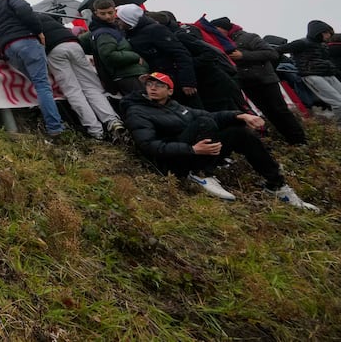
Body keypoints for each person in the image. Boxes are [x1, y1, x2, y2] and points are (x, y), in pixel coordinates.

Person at [121, 72, 318, 210]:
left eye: (159, 85)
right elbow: (148, 145)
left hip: (196, 152)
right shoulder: (137, 110)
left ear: (170, 91)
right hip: (174, 162)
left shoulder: (176, 106)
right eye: (149, 84)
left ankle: (276, 185)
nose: (153, 88)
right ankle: (201, 173)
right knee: (204, 122)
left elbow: (212, 115)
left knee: (240, 132)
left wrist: (240, 115)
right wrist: (192, 149)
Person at [0, 0, 65, 139]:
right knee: (42, 84)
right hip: (26, 41)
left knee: (36, 83)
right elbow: (25, 10)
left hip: (8, 48)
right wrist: (39, 31)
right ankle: (55, 127)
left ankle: (39, 114)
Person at [210, 17, 307, 145]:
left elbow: (271, 53)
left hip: (265, 80)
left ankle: (300, 141)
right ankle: (289, 140)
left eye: (216, 29)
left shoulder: (248, 37)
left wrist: (243, 56)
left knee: (280, 110)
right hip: (247, 83)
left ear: (224, 28)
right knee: (269, 113)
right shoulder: (220, 43)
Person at [38, 13, 127, 141]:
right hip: (73, 44)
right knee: (92, 87)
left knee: (73, 91)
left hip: (54, 50)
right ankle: (112, 120)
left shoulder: (23, 20)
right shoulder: (45, 17)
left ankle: (95, 130)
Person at [116, 4, 202, 108]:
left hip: (176, 80)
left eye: (120, 19)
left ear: (128, 19)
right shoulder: (129, 34)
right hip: (158, 82)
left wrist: (188, 81)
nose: (118, 22)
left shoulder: (155, 30)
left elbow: (180, 53)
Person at [277, 20, 341, 123]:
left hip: (328, 74)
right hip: (312, 75)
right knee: (338, 102)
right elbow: (279, 50)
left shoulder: (323, 45)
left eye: (329, 33)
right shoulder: (301, 43)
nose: (328, 35)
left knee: (338, 101)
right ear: (318, 32)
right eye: (326, 32)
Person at [83, 0, 148, 95]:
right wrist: (135, 56)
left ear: (115, 11)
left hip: (129, 74)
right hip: (128, 76)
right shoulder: (104, 33)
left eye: (110, 12)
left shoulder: (112, 28)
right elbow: (109, 55)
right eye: (103, 14)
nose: (108, 17)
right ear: (96, 13)